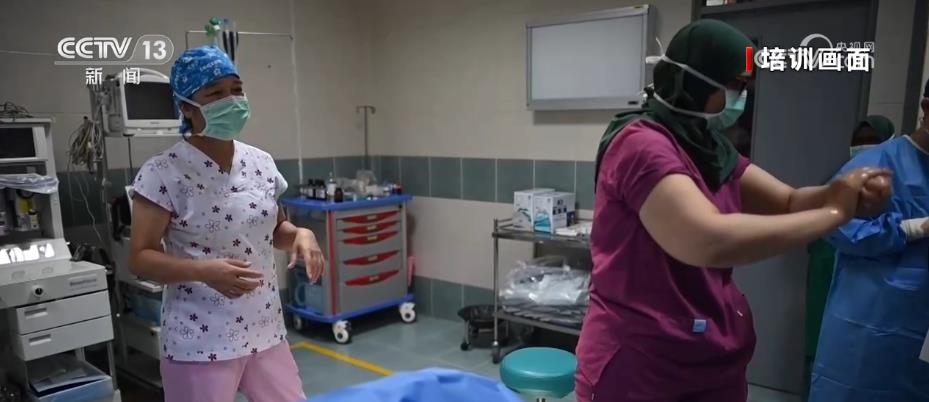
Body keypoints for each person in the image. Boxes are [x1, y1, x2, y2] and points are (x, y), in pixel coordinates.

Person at [577, 19, 892, 402]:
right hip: (643, 364)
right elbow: (707, 240)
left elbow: (788, 201)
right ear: (695, 82)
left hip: (709, 356)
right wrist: (833, 215)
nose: (740, 99)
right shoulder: (641, 145)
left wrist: (840, 194)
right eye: (734, 86)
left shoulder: (710, 147)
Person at [128, 46, 325, 402]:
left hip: (264, 329)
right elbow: (140, 258)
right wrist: (204, 271)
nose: (231, 101)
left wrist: (302, 234)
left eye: (236, 89)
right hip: (201, 340)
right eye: (215, 93)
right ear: (187, 107)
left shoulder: (261, 163)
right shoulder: (163, 173)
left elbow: (275, 230)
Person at [809, 83, 929, 402]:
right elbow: (836, 224)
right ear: (926, 108)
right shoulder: (879, 164)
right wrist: (912, 229)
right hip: (870, 326)